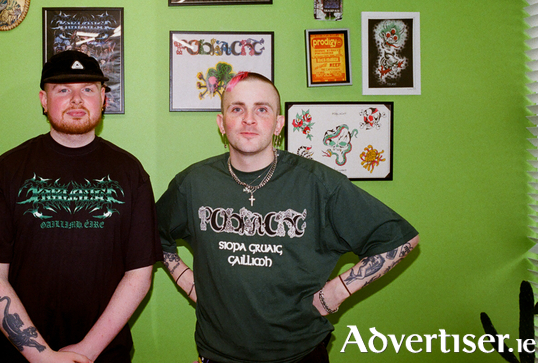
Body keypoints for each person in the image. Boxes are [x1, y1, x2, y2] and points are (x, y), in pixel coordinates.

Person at [157, 72, 419, 363]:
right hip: (219, 354)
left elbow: (400, 240)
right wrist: (189, 282)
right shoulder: (193, 183)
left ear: (278, 124)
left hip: (300, 353)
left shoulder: (317, 183)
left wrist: (336, 292)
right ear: (221, 123)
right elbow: (152, 235)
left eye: (262, 109)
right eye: (237, 108)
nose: (248, 119)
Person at [0, 50, 162, 363]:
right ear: (43, 99)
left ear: (104, 98)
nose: (77, 100)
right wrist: (43, 357)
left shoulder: (130, 172)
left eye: (88, 89)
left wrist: (84, 353)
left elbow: (139, 277)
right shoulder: (6, 171)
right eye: (64, 90)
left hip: (103, 354)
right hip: (19, 355)